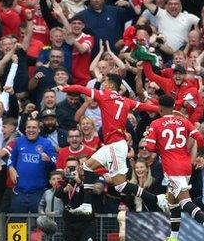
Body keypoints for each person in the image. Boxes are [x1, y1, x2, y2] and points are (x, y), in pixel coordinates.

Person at [59, 74, 167, 216]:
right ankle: (86, 205)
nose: (103, 84)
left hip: (115, 145)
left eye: (105, 82)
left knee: (121, 185)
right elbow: (148, 107)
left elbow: (80, 88)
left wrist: (65, 88)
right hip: (111, 145)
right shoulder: (126, 101)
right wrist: (165, 110)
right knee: (87, 167)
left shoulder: (104, 95)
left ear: (110, 85)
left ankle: (157, 199)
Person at [144, 95, 204, 241]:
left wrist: (158, 144)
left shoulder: (156, 123)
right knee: (172, 203)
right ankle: (173, 240)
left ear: (159, 108)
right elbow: (199, 138)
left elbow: (150, 148)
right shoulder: (184, 121)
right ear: (173, 107)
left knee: (184, 201)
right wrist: (195, 153)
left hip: (172, 167)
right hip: (185, 165)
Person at [8, 119, 57, 213]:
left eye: (34, 127)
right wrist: (11, 168)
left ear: (39, 130)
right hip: (20, 192)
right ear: (25, 130)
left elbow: (55, 162)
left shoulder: (46, 143)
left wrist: (48, 160)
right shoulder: (19, 142)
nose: (31, 130)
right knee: (17, 223)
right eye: (28, 127)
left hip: (39, 193)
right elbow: (11, 159)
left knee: (38, 224)